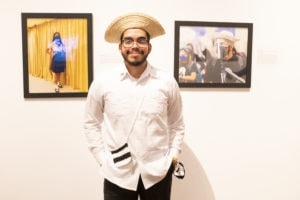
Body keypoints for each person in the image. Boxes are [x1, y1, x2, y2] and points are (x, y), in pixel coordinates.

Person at [83, 12, 185, 200]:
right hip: (117, 174)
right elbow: (91, 123)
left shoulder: (166, 82)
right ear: (120, 47)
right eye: (128, 41)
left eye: (141, 40)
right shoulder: (103, 83)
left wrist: (173, 157)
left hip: (157, 173)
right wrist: (102, 159)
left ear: (149, 46)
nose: (135, 46)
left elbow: (177, 125)